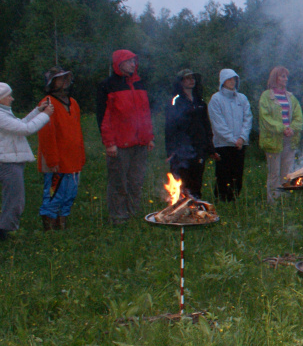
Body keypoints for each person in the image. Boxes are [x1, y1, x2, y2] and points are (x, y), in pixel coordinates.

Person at [96, 49, 154, 224]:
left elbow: (145, 113)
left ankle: (134, 214)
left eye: (134, 61)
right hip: (120, 144)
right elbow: (103, 117)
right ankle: (118, 217)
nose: (133, 64)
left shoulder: (139, 84)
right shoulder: (108, 85)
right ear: (118, 63)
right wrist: (109, 143)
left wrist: (149, 137)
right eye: (129, 61)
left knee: (136, 181)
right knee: (118, 182)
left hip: (140, 142)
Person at [0, 83, 51, 241]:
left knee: (13, 198)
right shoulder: (1, 115)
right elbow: (26, 129)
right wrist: (46, 115)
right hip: (8, 162)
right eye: (9, 95)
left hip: (9, 160)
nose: (12, 98)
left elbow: (20, 124)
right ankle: (7, 232)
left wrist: (38, 111)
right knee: (15, 199)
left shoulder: (4, 114)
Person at [36, 67, 84, 230]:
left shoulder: (74, 103)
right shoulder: (47, 104)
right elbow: (46, 135)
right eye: (60, 79)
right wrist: (51, 159)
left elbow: (77, 131)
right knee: (53, 194)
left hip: (73, 159)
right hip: (56, 160)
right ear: (52, 82)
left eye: (66, 78)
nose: (64, 82)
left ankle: (62, 224)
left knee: (70, 194)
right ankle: (49, 228)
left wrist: (81, 156)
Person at [164, 69, 213, 199]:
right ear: (181, 82)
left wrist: (209, 146)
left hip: (199, 147)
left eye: (193, 78)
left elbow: (206, 125)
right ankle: (182, 209)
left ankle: (196, 210)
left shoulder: (200, 102)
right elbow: (169, 128)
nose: (191, 80)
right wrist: (171, 151)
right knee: (183, 182)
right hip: (181, 149)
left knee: (197, 181)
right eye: (187, 78)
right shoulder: (176, 101)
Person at [259, 67, 303, 204]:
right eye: (282, 76)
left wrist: (292, 129)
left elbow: (298, 117)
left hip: (289, 139)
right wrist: (281, 128)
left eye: (286, 76)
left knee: (287, 172)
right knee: (274, 172)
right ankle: (273, 201)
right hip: (273, 140)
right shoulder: (266, 96)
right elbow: (265, 118)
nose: (286, 79)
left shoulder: (291, 97)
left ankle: (285, 199)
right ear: (275, 78)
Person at [207, 68, 251, 202]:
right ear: (223, 81)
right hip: (223, 144)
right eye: (229, 79)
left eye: (234, 79)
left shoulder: (242, 98)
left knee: (237, 173)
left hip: (240, 143)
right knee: (223, 173)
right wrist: (232, 139)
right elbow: (218, 123)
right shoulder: (216, 99)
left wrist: (242, 138)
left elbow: (248, 118)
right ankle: (221, 200)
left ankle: (234, 199)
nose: (232, 82)